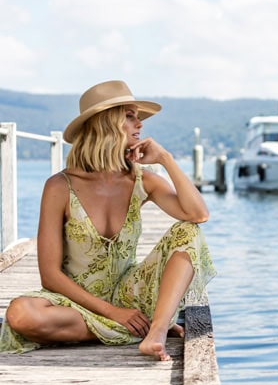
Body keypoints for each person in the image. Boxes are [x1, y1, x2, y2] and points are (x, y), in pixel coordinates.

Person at [0, 80, 216, 361]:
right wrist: (114, 313)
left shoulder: (141, 179)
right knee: (20, 314)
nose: (139, 124)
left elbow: (198, 215)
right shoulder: (60, 186)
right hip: (76, 302)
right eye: (129, 116)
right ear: (105, 124)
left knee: (188, 232)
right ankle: (136, 327)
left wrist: (165, 158)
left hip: (130, 292)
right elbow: (50, 276)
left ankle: (156, 332)